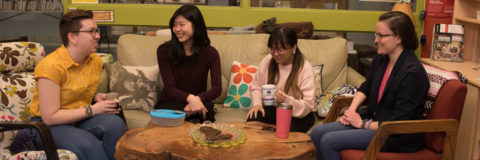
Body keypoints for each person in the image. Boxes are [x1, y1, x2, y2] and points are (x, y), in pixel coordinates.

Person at [310, 11, 430, 160]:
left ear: (399, 38)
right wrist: (351, 111)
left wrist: (361, 123)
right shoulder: (381, 59)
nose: (375, 40)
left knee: (328, 141)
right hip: (373, 121)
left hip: (395, 135)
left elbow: (397, 123)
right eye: (376, 34)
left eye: (381, 35)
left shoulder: (413, 74)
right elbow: (366, 86)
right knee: (317, 133)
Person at [11, 10, 126, 160]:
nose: (97, 36)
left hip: (76, 120)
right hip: (45, 128)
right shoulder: (51, 66)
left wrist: (96, 97)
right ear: (72, 37)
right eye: (91, 31)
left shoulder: (95, 61)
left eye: (96, 31)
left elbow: (74, 94)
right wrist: (93, 109)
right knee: (88, 144)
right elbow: (50, 118)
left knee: (115, 125)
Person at [155, 4, 221, 123]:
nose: (177, 29)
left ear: (196, 26)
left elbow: (217, 89)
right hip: (171, 102)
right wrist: (190, 99)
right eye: (174, 25)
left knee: (207, 112)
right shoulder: (163, 51)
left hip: (199, 101)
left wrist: (197, 99)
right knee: (181, 113)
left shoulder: (211, 53)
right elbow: (170, 88)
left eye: (181, 24)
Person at [246, 26, 315, 133]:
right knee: (253, 118)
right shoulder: (268, 60)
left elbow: (307, 106)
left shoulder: (305, 68)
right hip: (274, 109)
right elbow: (256, 87)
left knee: (286, 130)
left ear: (293, 48)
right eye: (272, 49)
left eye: (280, 50)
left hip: (299, 115)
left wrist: (285, 100)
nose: (275, 54)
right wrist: (257, 104)